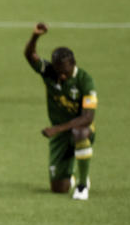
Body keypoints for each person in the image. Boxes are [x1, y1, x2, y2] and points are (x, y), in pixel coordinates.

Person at [23, 22, 98, 200]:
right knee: (58, 188)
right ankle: (68, 173)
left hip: (79, 128)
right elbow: (29, 56)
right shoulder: (50, 72)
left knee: (80, 132)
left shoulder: (85, 81)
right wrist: (35, 36)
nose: (61, 76)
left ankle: (82, 184)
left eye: (65, 71)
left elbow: (87, 117)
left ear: (73, 64)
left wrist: (56, 129)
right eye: (58, 71)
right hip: (60, 134)